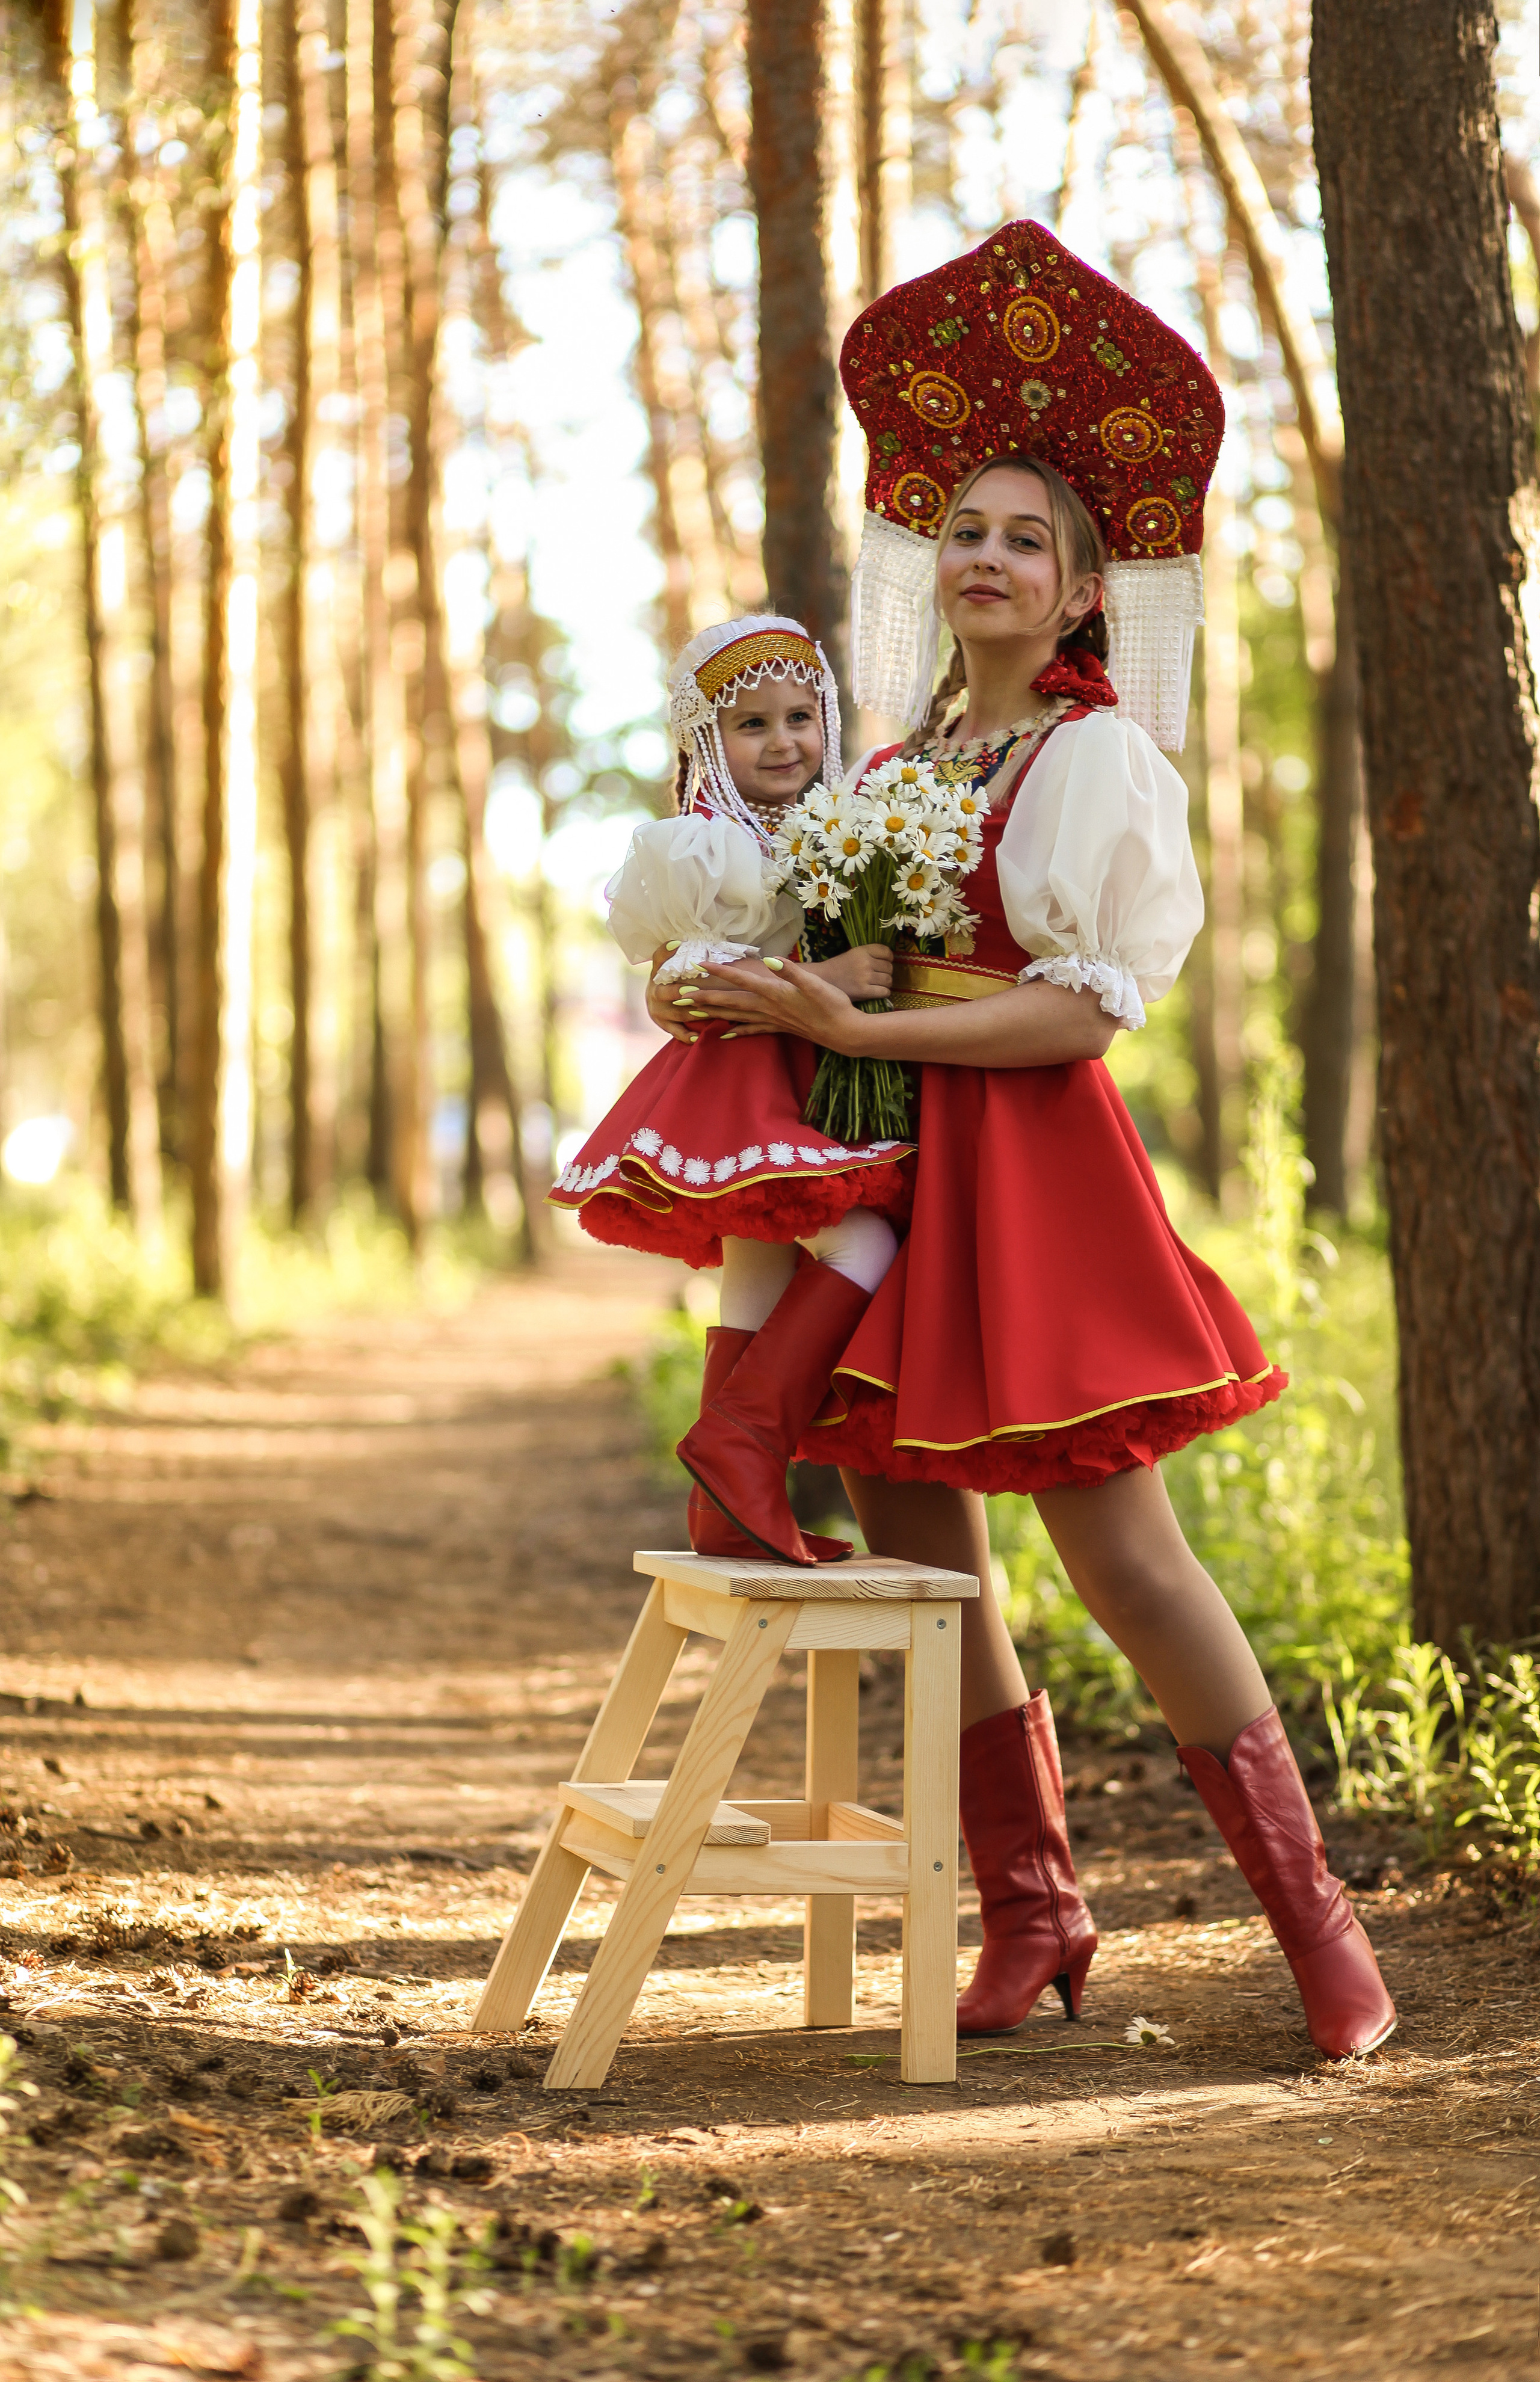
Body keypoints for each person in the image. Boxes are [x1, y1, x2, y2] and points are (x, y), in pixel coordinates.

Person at [658, 221, 1396, 2063]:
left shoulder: (1091, 766)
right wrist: (752, 994)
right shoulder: (895, 774)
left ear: (1083, 596)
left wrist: (864, 1017)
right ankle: (1034, 1910)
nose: (985, 557)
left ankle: (1323, 1935)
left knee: (1126, 1559)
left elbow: (1081, 1011)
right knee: (924, 1569)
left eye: (1027, 541)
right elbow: (852, 967)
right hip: (894, 1182)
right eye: (964, 531)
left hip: (1035, 1182)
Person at [551, 614, 914, 1567]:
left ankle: (724, 1506)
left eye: (802, 716)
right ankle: (740, 1443)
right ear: (707, 741)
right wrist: (833, 983)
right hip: (750, 1081)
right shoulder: (709, 846)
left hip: (804, 1077)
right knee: (865, 1239)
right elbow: (708, 980)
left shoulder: (836, 827)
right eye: (754, 726)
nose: (786, 741)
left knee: (759, 1261)